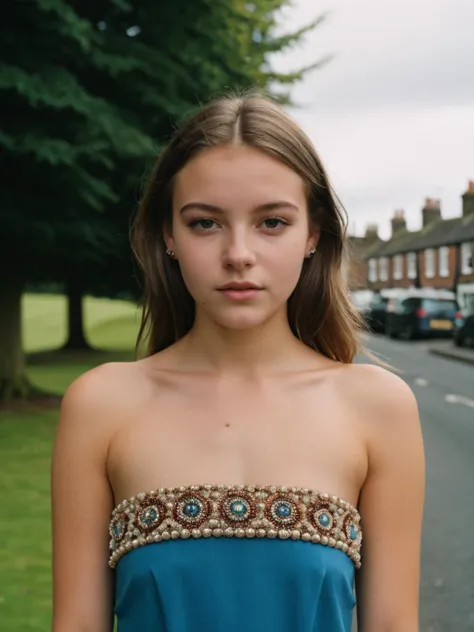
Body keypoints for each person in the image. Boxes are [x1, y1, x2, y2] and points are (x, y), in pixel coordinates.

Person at [51, 92, 425, 632]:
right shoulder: (102, 405)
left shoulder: (378, 408)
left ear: (312, 234)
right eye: (206, 223)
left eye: (272, 222)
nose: (239, 253)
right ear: (168, 235)